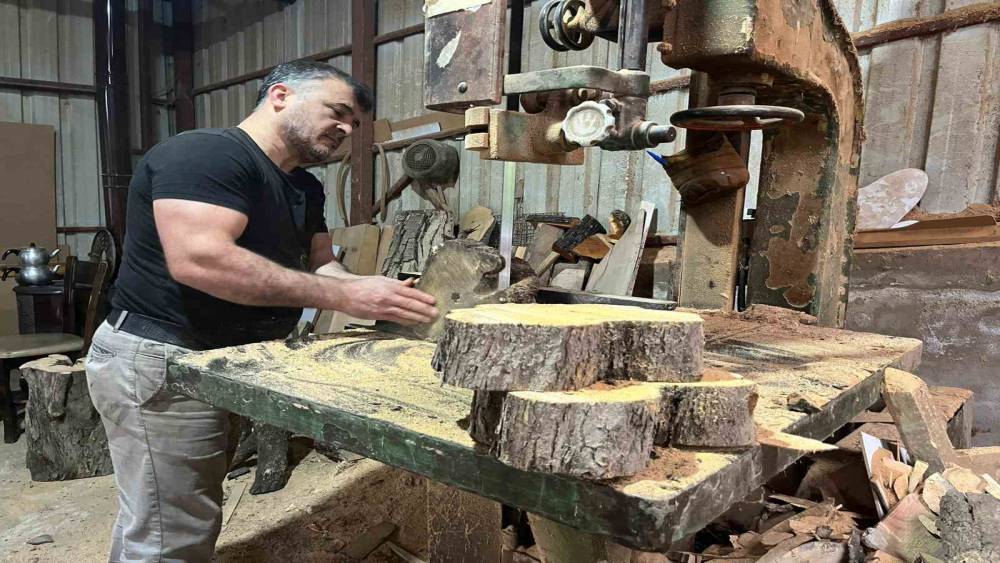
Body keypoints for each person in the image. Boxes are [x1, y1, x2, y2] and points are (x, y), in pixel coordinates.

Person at [85, 60, 438, 562]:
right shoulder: (207, 154)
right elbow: (201, 262)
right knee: (173, 530)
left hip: (220, 361)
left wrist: (373, 290)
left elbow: (322, 266)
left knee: (160, 516)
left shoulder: (303, 186)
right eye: (337, 112)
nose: (346, 129)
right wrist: (346, 298)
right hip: (162, 359)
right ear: (280, 96)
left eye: (354, 123)